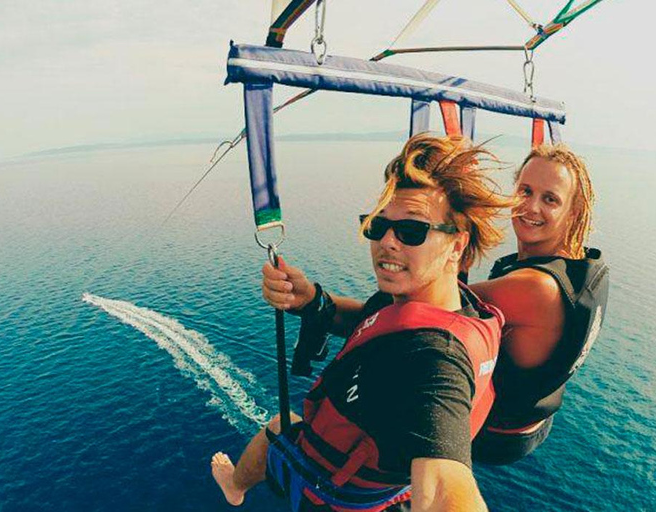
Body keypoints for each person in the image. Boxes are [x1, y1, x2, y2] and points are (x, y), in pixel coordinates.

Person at [211, 134, 517, 511]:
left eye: (412, 231)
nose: (387, 242)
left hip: (331, 495)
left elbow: (442, 486)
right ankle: (237, 485)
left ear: (457, 245)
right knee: (283, 425)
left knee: (278, 429)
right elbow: (370, 320)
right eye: (378, 226)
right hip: (385, 490)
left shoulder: (437, 360)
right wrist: (312, 301)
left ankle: (234, 486)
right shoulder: (443, 303)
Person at [470, 144, 609, 465]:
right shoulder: (579, 267)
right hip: (535, 423)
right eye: (525, 191)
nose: (531, 206)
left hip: (495, 434)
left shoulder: (537, 287)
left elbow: (427, 309)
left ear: (573, 212)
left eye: (550, 199)